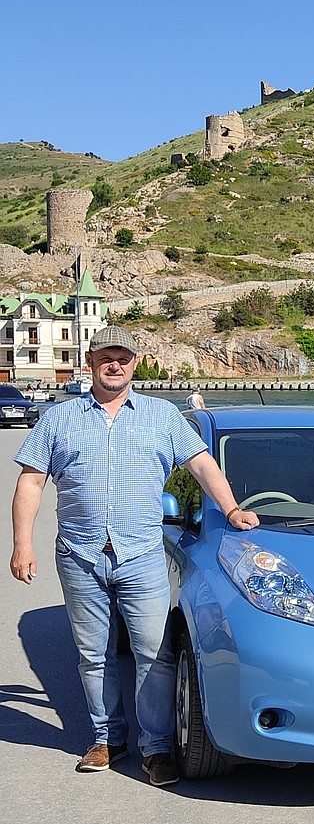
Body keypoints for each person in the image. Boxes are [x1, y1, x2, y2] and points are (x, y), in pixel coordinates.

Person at [8, 326, 259, 788]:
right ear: (90, 361)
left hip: (141, 554)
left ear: (135, 363)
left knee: (153, 654)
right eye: (106, 356)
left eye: (122, 357)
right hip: (79, 554)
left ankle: (157, 747)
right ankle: (107, 738)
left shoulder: (162, 417)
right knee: (92, 655)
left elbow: (202, 464)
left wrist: (232, 509)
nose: (114, 365)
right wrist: (22, 543)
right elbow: (31, 482)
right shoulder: (58, 419)